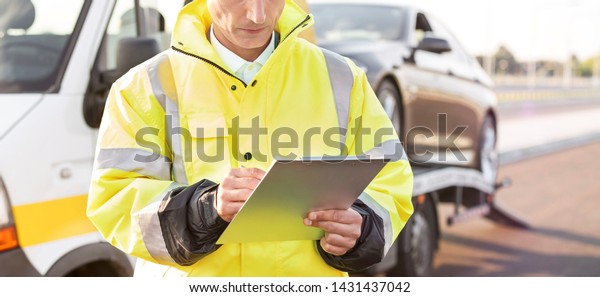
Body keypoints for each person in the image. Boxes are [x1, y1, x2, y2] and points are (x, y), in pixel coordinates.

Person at [87, 0, 413, 277]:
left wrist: (360, 228)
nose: (257, 15)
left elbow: (391, 184)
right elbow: (115, 201)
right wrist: (206, 209)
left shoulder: (343, 78)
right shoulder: (142, 87)